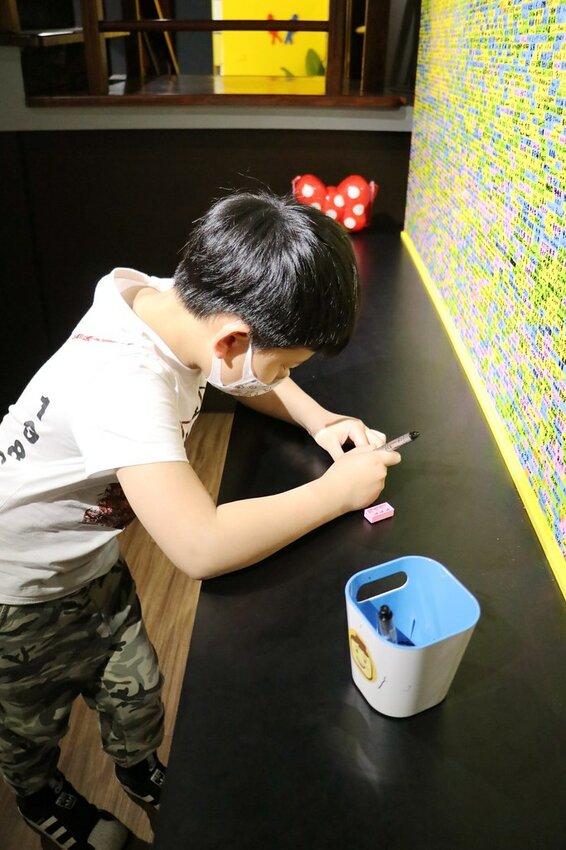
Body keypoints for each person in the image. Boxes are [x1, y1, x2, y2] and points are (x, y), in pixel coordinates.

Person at [0, 190, 400, 849]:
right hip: (18, 588)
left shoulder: (173, 302)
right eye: (288, 363)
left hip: (91, 556)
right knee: (29, 720)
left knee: (134, 689)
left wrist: (319, 419)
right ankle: (40, 795)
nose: (284, 375)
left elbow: (249, 371)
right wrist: (337, 492)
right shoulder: (124, 382)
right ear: (233, 339)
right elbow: (199, 546)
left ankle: (137, 767)